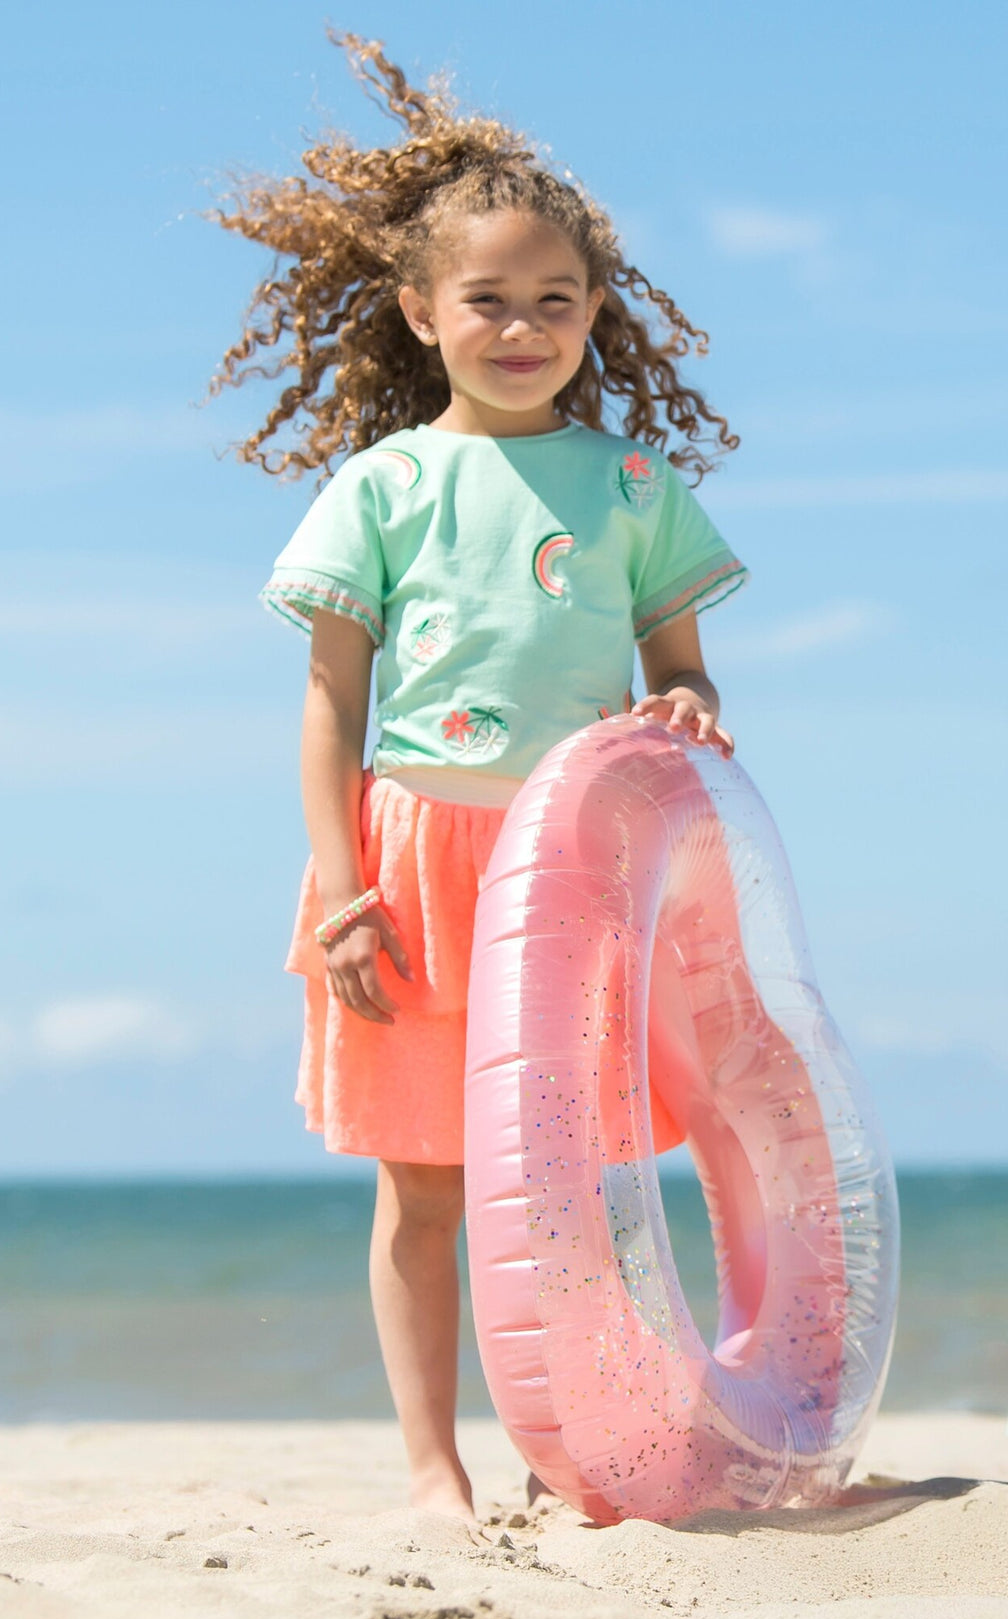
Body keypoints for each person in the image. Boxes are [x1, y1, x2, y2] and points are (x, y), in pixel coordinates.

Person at [208, 29, 751, 1524]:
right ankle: (437, 1466)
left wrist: (691, 707)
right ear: (420, 312)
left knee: (570, 1191)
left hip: (570, 873)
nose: (524, 327)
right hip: (410, 867)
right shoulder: (380, 486)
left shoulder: (637, 485)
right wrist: (340, 890)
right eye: (489, 302)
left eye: (555, 301)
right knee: (429, 1188)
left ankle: (567, 1446)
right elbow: (332, 704)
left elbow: (681, 667)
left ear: (594, 314)